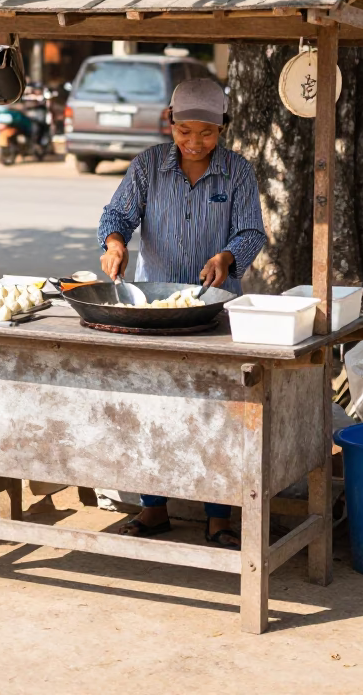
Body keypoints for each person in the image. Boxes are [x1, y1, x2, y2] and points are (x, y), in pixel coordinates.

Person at [97, 77, 266, 548]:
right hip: (156, 310)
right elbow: (117, 216)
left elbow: (251, 231)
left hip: (216, 312)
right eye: (184, 131)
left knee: (219, 413)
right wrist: (114, 244)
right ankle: (154, 509)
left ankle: (220, 515)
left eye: (207, 133)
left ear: (223, 129)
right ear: (169, 123)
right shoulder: (148, 166)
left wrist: (226, 257)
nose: (195, 142)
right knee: (155, 408)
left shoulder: (238, 172)